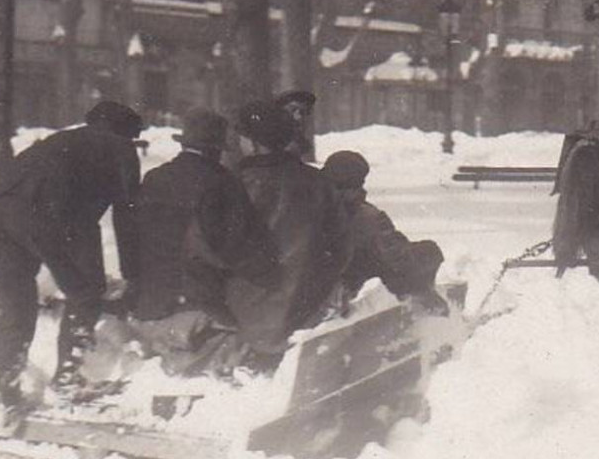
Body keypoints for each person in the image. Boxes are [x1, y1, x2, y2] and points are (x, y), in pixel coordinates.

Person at [0, 100, 144, 413]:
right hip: (49, 215)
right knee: (86, 291)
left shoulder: (59, 141)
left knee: (16, 302)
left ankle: (8, 393)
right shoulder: (120, 149)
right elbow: (127, 216)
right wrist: (133, 273)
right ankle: (67, 380)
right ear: (125, 133)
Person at [128, 109, 275, 372]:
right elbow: (239, 247)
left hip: (148, 303)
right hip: (198, 306)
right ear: (216, 149)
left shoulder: (154, 177)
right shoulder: (224, 183)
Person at [223, 99, 352, 369]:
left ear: (251, 141)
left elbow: (206, 254)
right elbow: (341, 247)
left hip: (244, 327)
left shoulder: (231, 186)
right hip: (304, 317)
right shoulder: (319, 184)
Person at [320, 150, 448, 314]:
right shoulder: (366, 217)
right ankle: (428, 309)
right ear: (359, 181)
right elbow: (397, 257)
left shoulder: (302, 205)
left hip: (303, 288)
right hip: (338, 291)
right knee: (428, 251)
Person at [275, 89, 318, 162]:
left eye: (304, 112)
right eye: (292, 110)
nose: (298, 117)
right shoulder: (266, 139)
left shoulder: (299, 141)